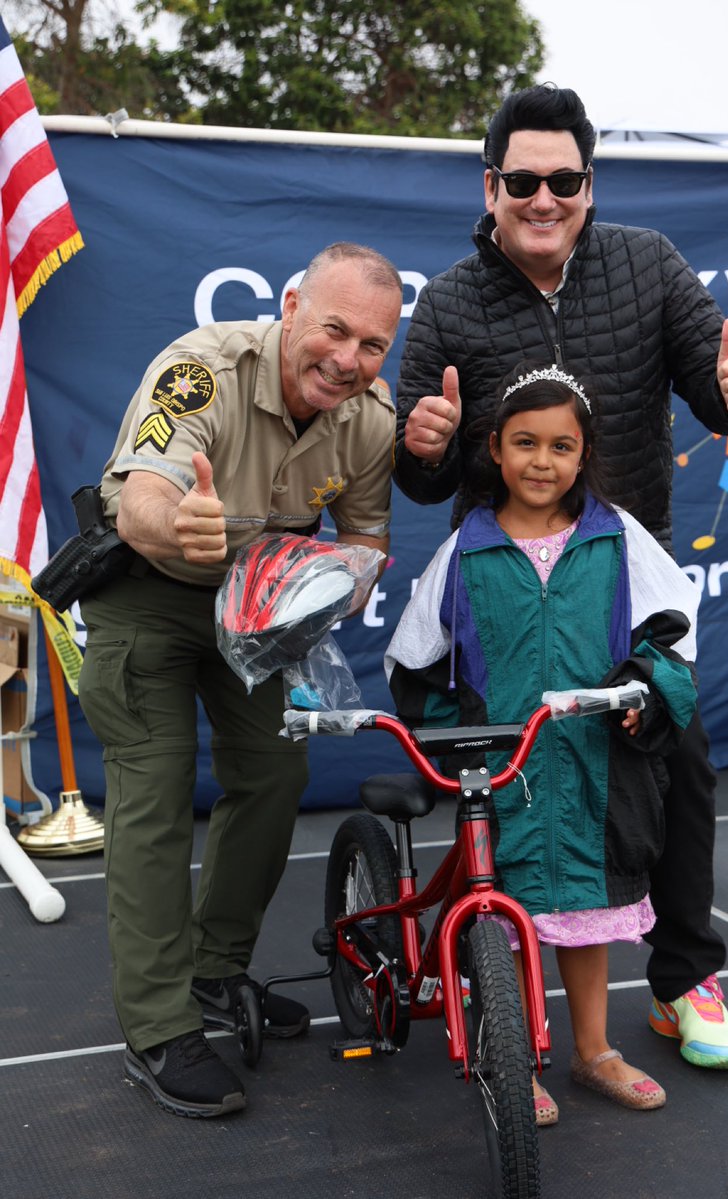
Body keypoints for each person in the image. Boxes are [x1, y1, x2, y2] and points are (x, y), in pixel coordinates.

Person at [394, 83, 728, 1071]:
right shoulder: (443, 300)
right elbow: (417, 470)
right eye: (522, 180)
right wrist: (423, 442)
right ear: (491, 186)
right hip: (505, 594)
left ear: (587, 187)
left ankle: (683, 978)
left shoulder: (648, 263)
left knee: (676, 763)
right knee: (512, 786)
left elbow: (715, 385)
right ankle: (499, 991)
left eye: (562, 179)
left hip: (621, 577)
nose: (543, 197)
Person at [78, 242, 403, 1118]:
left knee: (277, 771)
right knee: (155, 787)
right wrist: (177, 520)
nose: (348, 359)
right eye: (334, 329)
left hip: (256, 606)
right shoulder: (203, 369)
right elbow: (142, 496)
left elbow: (365, 539)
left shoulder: (372, 416)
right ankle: (157, 1029)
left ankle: (214, 973)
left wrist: (340, 575)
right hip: (144, 590)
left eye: (373, 345)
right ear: (291, 305)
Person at [386, 363, 700, 1124]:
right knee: (500, 914)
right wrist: (455, 739)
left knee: (584, 912)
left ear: (583, 452)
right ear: (493, 447)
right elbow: (413, 658)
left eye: (562, 446)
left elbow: (672, 637)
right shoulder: (468, 548)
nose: (542, 461)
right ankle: (511, 1056)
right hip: (506, 770)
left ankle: (593, 1051)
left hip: (595, 763)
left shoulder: (616, 536)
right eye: (524, 442)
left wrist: (644, 693)